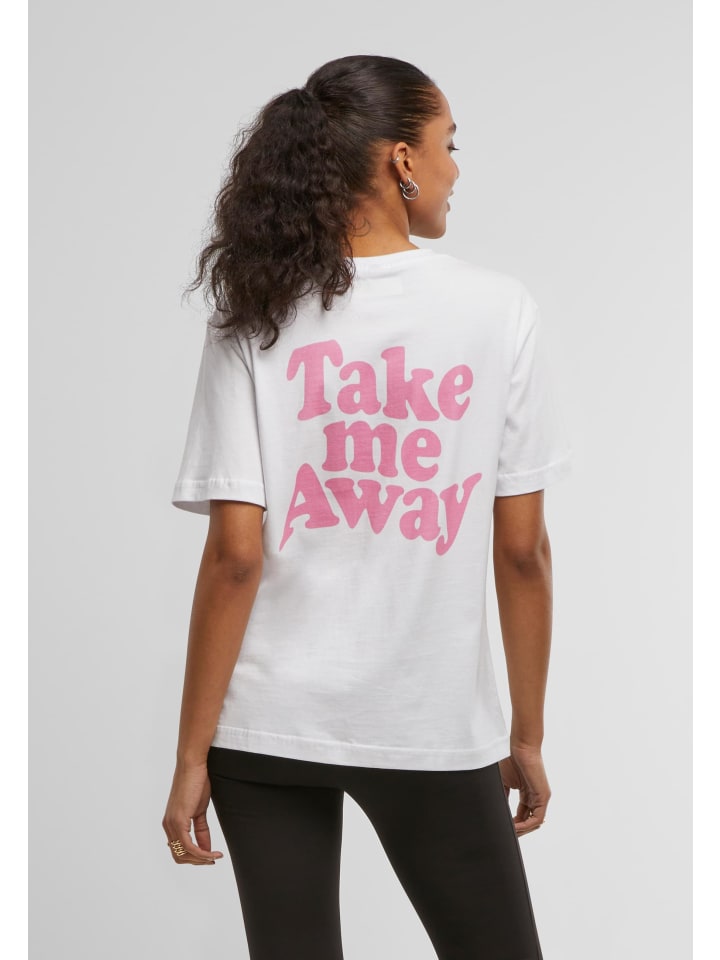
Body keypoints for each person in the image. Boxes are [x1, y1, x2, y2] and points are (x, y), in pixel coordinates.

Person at [162, 54, 572, 960]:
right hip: (426, 720)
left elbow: (235, 555)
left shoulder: (254, 309)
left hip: (265, 725)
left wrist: (192, 755)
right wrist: (527, 733)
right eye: (449, 144)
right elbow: (522, 552)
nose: (456, 168)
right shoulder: (497, 311)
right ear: (401, 160)